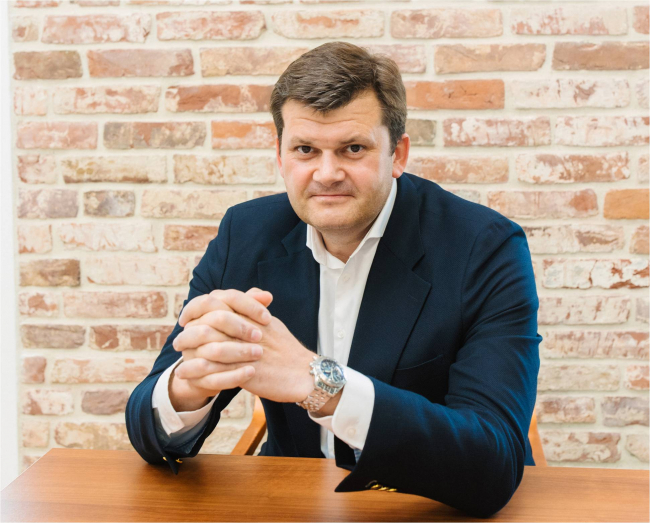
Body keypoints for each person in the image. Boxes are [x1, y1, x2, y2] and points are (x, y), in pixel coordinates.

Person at [126, 41, 542, 518]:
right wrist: (187, 388)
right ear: (280, 155)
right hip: (293, 504)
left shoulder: (484, 247)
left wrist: (318, 383)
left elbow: (492, 463)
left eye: (353, 149)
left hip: (427, 507)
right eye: (305, 149)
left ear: (398, 154)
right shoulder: (247, 234)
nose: (327, 174)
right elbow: (146, 427)